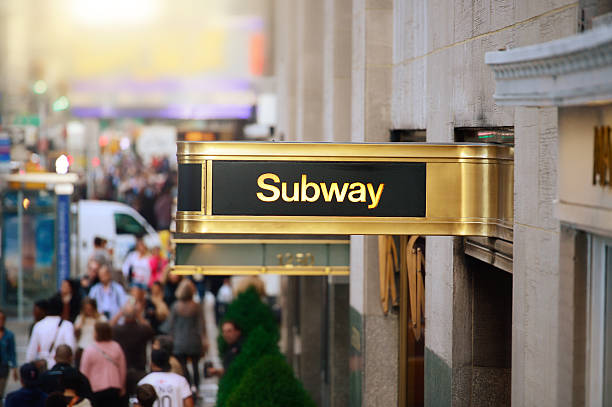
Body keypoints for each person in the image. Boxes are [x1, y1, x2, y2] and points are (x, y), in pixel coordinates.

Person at [167, 280, 207, 394]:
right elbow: (201, 325)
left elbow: (171, 326)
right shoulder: (196, 306)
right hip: (194, 340)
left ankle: (188, 387)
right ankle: (197, 388)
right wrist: (204, 340)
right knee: (195, 366)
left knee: (183, 366)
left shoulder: (175, 306)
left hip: (179, 341)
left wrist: (171, 339)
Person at [111, 304, 154, 398]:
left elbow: (109, 327)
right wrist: (139, 315)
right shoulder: (143, 329)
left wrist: (119, 314)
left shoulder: (117, 330)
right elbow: (150, 330)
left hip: (121, 371)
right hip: (139, 370)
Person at [79, 322, 126, 407]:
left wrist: (84, 390)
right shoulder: (116, 346)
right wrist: (122, 386)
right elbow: (122, 368)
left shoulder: (90, 349)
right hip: (114, 386)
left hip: (95, 388)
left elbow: (84, 372)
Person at [26, 297, 76, 369]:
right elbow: (72, 348)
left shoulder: (38, 325)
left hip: (43, 369)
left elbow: (31, 354)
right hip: (62, 369)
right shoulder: (67, 325)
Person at [74, 298, 107, 369]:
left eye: (90, 309)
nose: (88, 311)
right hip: (82, 348)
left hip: (97, 349)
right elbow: (76, 334)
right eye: (86, 309)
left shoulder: (101, 318)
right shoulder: (80, 318)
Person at [0, 310, 18, 405]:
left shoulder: (9, 335)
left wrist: (15, 368)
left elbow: (12, 352)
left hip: (3, 366)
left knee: (1, 392)